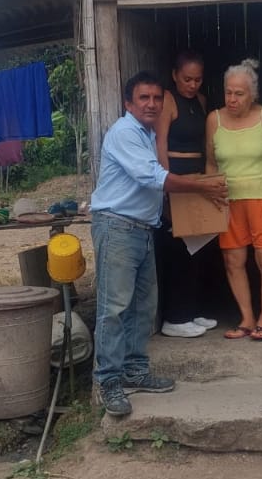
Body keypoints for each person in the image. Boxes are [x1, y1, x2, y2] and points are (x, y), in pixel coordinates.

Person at [90, 71, 230, 416]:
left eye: (156, 98)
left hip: (141, 228)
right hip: (118, 227)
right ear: (128, 103)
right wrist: (202, 187)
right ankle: (108, 382)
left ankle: (135, 371)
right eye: (144, 98)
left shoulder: (148, 133)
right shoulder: (124, 133)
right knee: (114, 309)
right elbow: (152, 177)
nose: (151, 104)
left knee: (142, 307)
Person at [205, 59, 262, 342]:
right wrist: (212, 191)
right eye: (228, 92)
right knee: (233, 260)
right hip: (229, 201)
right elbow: (211, 162)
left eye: (239, 94)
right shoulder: (214, 120)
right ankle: (247, 318)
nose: (232, 99)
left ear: (252, 94)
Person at [154, 50, 219, 338]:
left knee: (199, 248)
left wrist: (208, 179)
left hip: (198, 180)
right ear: (174, 75)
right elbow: (160, 144)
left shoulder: (201, 101)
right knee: (177, 249)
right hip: (177, 178)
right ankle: (175, 318)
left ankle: (192, 311)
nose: (192, 85)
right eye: (187, 79)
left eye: (198, 79)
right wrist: (167, 185)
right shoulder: (168, 100)